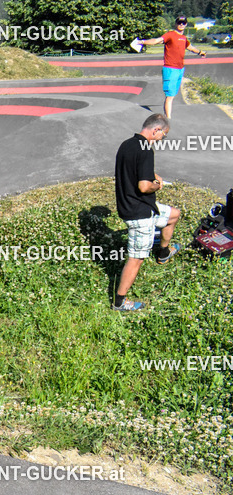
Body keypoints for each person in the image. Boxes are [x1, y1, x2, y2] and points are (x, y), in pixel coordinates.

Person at [112, 113, 181, 311]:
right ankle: (119, 302)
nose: (162, 139)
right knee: (136, 258)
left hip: (138, 205)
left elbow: (135, 171)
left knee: (173, 215)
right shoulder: (146, 150)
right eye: (163, 135)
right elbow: (143, 186)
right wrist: (156, 186)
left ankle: (164, 253)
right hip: (139, 213)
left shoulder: (127, 144)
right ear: (156, 130)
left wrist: (153, 175)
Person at [136, 16, 205, 120]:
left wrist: (200, 52)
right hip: (170, 69)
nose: (181, 24)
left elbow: (190, 47)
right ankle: (168, 119)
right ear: (176, 24)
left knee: (172, 95)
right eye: (179, 22)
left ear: (186, 24)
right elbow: (156, 41)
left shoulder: (184, 38)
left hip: (180, 69)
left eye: (183, 23)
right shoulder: (170, 35)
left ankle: (168, 117)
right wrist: (142, 42)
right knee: (170, 96)